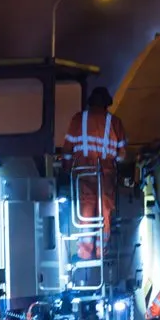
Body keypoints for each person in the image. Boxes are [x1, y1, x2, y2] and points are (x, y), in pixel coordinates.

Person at [61, 86, 127, 262]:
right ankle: (100, 253)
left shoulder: (78, 120)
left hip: (83, 176)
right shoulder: (115, 122)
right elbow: (122, 155)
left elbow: (67, 150)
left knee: (86, 214)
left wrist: (66, 169)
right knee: (105, 214)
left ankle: (85, 253)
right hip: (106, 176)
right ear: (107, 104)